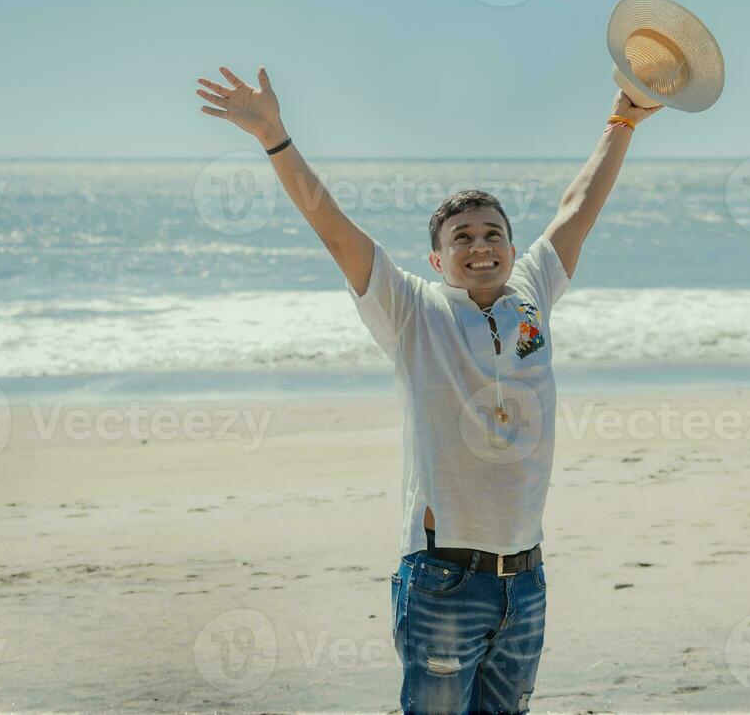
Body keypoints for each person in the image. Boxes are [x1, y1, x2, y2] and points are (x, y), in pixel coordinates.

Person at [196, 64, 659, 714]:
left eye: (493, 233)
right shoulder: (412, 311)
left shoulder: (532, 296)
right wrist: (275, 136)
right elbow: (331, 226)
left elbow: (579, 206)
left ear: (512, 247)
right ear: (438, 261)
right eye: (461, 238)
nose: (480, 246)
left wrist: (623, 119)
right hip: (445, 579)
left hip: (525, 580)